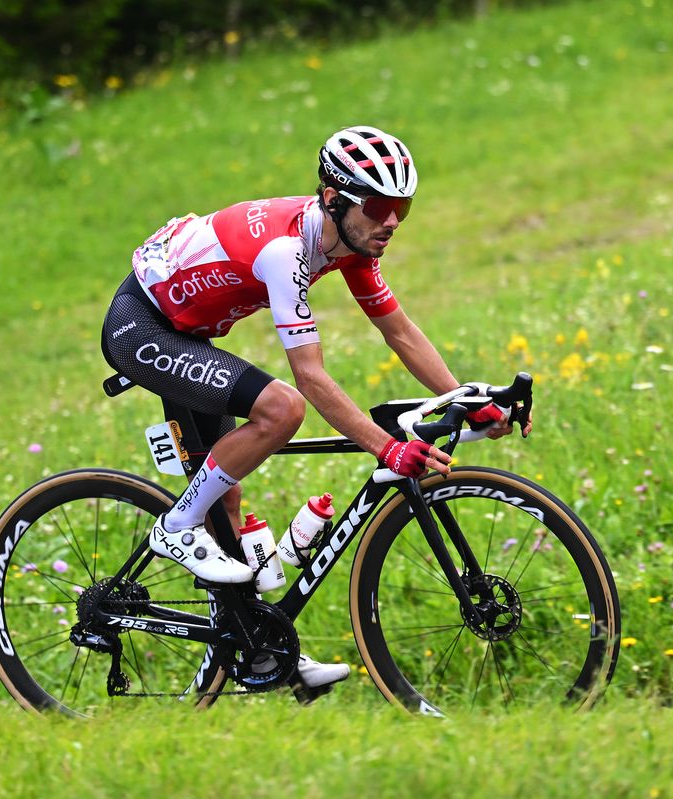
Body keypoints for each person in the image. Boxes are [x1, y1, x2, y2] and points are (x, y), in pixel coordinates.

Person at [101, 125, 531, 690]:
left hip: (189, 331)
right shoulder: (286, 251)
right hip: (141, 326)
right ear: (334, 197)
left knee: (227, 500)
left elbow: (398, 331)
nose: (392, 222)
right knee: (280, 410)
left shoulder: (348, 242)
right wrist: (387, 448)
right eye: (379, 206)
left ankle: (258, 649)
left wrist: (466, 402)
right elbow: (310, 376)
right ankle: (175, 527)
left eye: (402, 206)